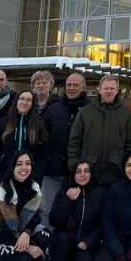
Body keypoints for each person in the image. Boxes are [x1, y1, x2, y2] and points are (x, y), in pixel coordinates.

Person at [46, 159, 106, 261]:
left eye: (86, 171)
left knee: (84, 260)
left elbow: (102, 223)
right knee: (60, 239)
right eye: (78, 171)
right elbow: (54, 220)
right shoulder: (65, 191)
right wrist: (68, 200)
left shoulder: (101, 193)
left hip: (87, 241)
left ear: (91, 174)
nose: (82, 175)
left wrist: (89, 240)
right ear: (73, 174)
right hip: (67, 238)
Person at [67, 74, 131, 186]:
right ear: (99, 90)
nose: (109, 91)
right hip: (89, 173)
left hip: (116, 174)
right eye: (105, 88)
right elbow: (74, 142)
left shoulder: (125, 113)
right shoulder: (85, 112)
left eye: (112, 88)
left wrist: (129, 168)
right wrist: (74, 166)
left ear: (117, 91)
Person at [42, 70, 90, 228]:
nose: (71, 88)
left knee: (74, 210)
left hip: (77, 173)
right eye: (69, 85)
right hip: (52, 170)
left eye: (75, 85)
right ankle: (46, 243)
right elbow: (42, 139)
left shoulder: (91, 110)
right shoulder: (53, 109)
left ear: (83, 87)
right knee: (47, 209)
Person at [0, 89, 48, 186]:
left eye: (28, 100)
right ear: (16, 101)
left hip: (28, 177)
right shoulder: (3, 123)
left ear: (32, 104)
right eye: (22, 99)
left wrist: (35, 179)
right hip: (3, 175)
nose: (24, 102)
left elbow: (42, 155)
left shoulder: (37, 125)